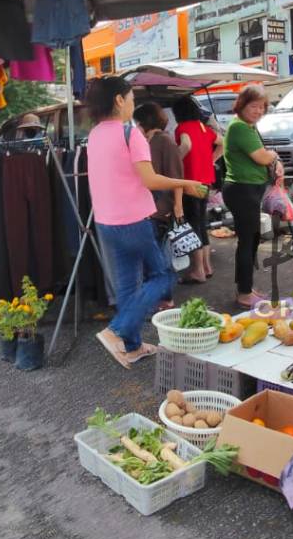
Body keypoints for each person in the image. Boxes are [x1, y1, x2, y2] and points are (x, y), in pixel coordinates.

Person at [86, 76, 206, 368]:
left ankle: (133, 346)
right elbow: (150, 180)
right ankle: (116, 330)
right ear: (118, 100)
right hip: (133, 221)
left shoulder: (95, 134)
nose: (132, 104)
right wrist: (187, 182)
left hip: (106, 223)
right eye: (130, 99)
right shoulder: (131, 134)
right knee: (164, 276)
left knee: (127, 285)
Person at [222, 85, 281, 308]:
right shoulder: (240, 128)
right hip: (242, 191)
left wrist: (273, 159)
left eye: (262, 107)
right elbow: (263, 157)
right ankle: (244, 293)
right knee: (247, 242)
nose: (258, 111)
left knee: (251, 241)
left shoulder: (248, 126)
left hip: (248, 190)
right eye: (253, 106)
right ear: (242, 105)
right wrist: (273, 155)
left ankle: (245, 287)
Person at [133, 102, 183, 310]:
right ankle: (159, 297)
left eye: (137, 123)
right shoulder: (149, 141)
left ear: (145, 122)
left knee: (158, 257)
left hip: (161, 208)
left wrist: (178, 206)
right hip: (149, 208)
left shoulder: (164, 141)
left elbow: (176, 176)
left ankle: (165, 298)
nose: (136, 127)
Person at [173, 95, 223, 284]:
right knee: (202, 223)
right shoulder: (204, 127)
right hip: (206, 181)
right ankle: (207, 267)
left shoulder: (183, 128)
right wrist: (211, 160)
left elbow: (186, 145)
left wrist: (175, 159)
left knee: (194, 225)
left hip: (191, 183)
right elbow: (222, 143)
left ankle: (198, 271)